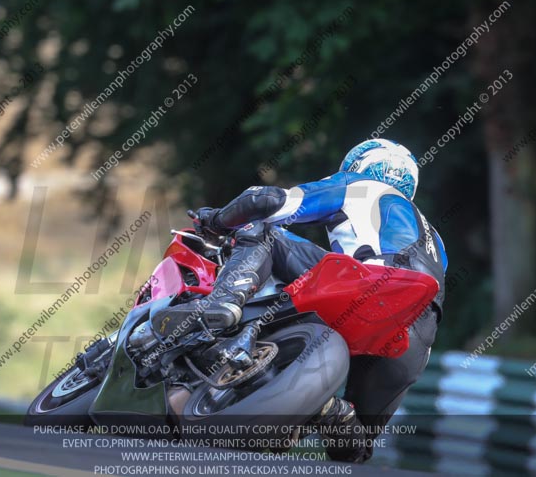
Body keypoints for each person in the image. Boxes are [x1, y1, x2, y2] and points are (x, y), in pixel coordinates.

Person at [156, 138, 447, 462]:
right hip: (417, 333)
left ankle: (223, 304)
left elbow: (267, 200)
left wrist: (216, 222)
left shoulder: (360, 185)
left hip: (367, 283)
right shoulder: (434, 238)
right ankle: (329, 411)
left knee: (263, 226)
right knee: (355, 447)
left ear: (358, 166)